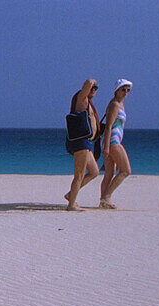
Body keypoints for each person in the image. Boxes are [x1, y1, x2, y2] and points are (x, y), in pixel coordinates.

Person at [64, 79, 101, 211]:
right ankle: (71, 204)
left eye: (96, 88)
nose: (94, 90)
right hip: (81, 141)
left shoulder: (89, 103)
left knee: (94, 171)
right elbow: (87, 85)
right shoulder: (81, 99)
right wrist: (91, 82)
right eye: (92, 88)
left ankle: (70, 195)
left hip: (88, 142)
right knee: (79, 174)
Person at [99, 79, 133, 209]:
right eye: (123, 89)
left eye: (128, 90)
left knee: (110, 172)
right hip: (112, 141)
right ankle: (107, 197)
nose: (125, 92)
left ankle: (103, 200)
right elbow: (108, 127)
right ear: (116, 90)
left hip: (113, 141)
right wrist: (106, 148)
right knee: (125, 170)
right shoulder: (114, 105)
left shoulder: (120, 104)